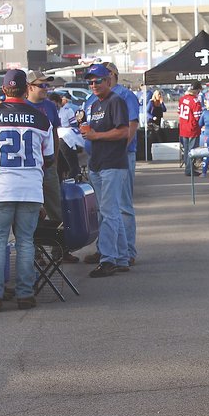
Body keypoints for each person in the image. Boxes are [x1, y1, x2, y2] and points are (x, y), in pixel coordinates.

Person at [0, 69, 54, 312]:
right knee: (26, 242)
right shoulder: (41, 118)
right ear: (26, 87)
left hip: (1, 186)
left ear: (4, 88)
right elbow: (48, 157)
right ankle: (25, 294)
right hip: (31, 187)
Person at [81, 64, 131, 278]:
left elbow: (124, 131)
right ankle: (121, 257)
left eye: (98, 80)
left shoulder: (115, 101)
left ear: (108, 80)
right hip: (98, 163)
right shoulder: (94, 105)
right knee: (110, 213)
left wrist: (96, 136)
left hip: (112, 163)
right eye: (90, 81)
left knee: (109, 213)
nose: (94, 85)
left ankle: (108, 259)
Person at [103, 62, 141, 268]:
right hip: (101, 159)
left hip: (122, 155)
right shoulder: (96, 96)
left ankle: (127, 249)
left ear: (113, 75)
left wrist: (119, 149)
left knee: (123, 204)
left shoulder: (125, 95)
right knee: (106, 207)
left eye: (106, 74)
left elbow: (132, 124)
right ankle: (108, 249)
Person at [26, 71, 64, 225]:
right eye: (41, 85)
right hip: (29, 167)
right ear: (30, 87)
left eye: (47, 85)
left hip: (48, 166)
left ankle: (60, 248)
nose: (45, 88)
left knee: (56, 208)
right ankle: (33, 248)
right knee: (30, 211)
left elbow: (55, 135)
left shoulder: (50, 106)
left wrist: (53, 161)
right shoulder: (22, 106)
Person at [50, 92, 84, 181]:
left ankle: (73, 171)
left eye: (54, 103)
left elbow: (73, 125)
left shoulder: (67, 111)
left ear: (58, 102)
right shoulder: (50, 112)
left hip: (66, 136)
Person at [179, 83, 203, 177]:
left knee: (186, 149)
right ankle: (190, 169)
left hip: (183, 127)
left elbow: (179, 112)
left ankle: (188, 167)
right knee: (192, 150)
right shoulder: (195, 101)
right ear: (196, 90)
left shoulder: (182, 99)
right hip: (192, 128)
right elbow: (198, 117)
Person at [145, 89, 166, 162]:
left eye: (160, 95)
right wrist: (152, 117)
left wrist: (162, 102)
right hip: (151, 122)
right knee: (151, 138)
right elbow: (147, 112)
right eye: (158, 95)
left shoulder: (160, 103)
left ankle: (159, 154)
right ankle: (149, 155)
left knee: (159, 136)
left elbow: (164, 110)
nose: (159, 96)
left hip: (158, 122)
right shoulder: (151, 103)